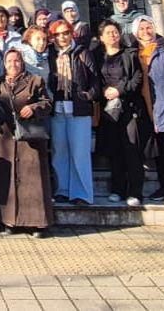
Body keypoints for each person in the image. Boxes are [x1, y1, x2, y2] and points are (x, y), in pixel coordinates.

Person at [0, 49, 53, 237]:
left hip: (30, 138)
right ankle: (10, 221)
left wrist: (34, 107)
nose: (13, 64)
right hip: (7, 138)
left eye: (17, 60)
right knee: (8, 181)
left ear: (22, 62)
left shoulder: (35, 81)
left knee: (32, 181)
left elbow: (48, 103)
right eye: (9, 61)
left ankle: (37, 224)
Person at [131, 15, 164, 204]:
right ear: (135, 32)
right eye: (142, 29)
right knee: (159, 150)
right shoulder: (136, 51)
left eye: (149, 27)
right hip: (148, 106)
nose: (146, 32)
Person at [95, 20, 148, 207]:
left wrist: (119, 90)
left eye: (115, 32)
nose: (112, 35)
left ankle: (135, 192)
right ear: (101, 38)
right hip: (109, 110)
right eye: (108, 32)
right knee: (114, 150)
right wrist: (103, 92)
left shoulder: (129, 55)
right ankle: (117, 189)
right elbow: (95, 79)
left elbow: (137, 78)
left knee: (132, 148)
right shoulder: (98, 57)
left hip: (128, 107)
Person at [47, 20, 98, 205]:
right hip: (58, 109)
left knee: (80, 153)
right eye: (58, 34)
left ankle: (82, 193)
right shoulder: (51, 54)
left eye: (65, 33)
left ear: (71, 33)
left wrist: (88, 95)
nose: (62, 37)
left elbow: (94, 80)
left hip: (79, 109)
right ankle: (62, 190)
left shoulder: (82, 52)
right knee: (59, 152)